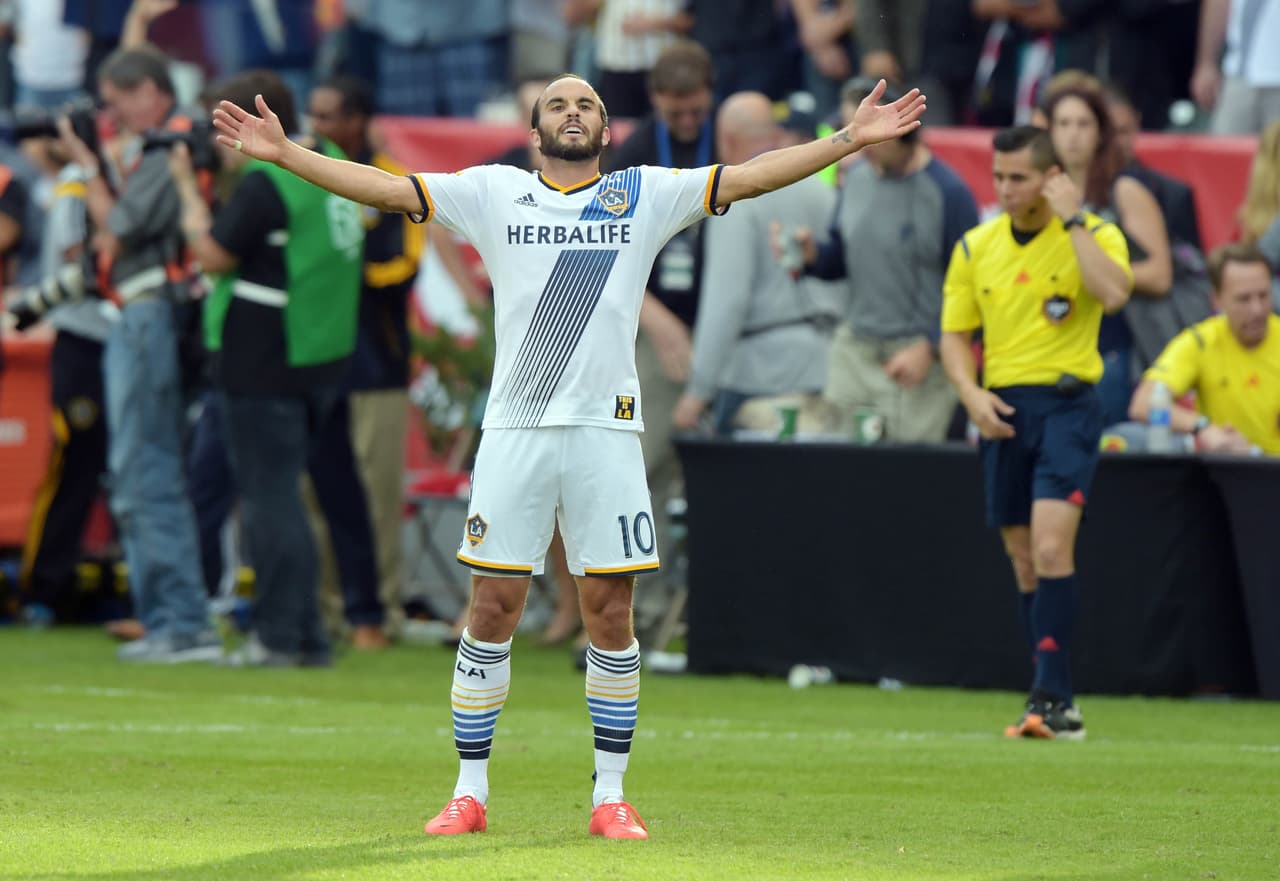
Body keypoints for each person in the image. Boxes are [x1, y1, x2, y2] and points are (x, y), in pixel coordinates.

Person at [211, 71, 924, 836]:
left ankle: (610, 794)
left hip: (605, 432)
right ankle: (469, 790)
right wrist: (286, 156)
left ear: (607, 132)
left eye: (587, 104)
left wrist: (849, 139)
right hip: (515, 430)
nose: (573, 111)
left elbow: (750, 177)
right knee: (491, 606)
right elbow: (385, 192)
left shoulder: (642, 194)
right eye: (558, 103)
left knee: (609, 611)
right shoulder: (493, 192)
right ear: (534, 128)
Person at [939, 126, 1132, 740]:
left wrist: (1074, 223)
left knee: (1051, 548)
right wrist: (970, 394)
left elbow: (1115, 293)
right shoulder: (976, 246)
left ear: (1051, 178)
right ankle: (1054, 699)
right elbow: (953, 334)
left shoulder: (1094, 235)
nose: (1003, 188)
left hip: (1069, 405)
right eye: (998, 176)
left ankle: (1050, 696)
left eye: (1017, 177)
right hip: (1002, 410)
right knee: (1024, 562)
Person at [172, 69, 365, 667]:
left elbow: (212, 256)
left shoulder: (267, 183)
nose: (219, 138)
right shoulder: (326, 157)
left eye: (226, 123)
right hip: (319, 355)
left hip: (265, 357)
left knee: (269, 500)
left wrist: (186, 191)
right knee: (285, 497)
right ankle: (305, 634)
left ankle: (280, 637)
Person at [57, 46, 220, 663]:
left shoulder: (169, 143)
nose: (112, 115)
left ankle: (181, 622)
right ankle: (169, 619)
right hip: (143, 314)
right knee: (139, 473)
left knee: (146, 472)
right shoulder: (161, 142)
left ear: (151, 92)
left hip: (150, 312)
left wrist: (86, 166)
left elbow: (117, 226)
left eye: (120, 101)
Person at [795, 77, 977, 442]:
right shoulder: (856, 180)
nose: (860, 146)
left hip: (917, 363)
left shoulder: (949, 193)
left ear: (903, 130)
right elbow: (843, 259)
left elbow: (975, 289)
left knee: (907, 487)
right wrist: (814, 256)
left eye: (868, 134)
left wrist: (930, 345)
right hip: (855, 353)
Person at [671, 91, 840, 436]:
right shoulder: (825, 191)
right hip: (830, 369)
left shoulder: (735, 200)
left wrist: (698, 391)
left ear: (727, 139)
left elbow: (727, 303)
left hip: (759, 379)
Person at [1043, 86, 1173, 424]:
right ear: (1049, 131)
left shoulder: (1125, 189)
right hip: (1048, 348)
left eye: (1084, 124)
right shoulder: (1037, 194)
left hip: (1109, 350)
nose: (1073, 135)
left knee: (1104, 458)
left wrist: (1096, 268)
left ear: (1101, 133)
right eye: (1064, 123)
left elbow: (1160, 275)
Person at [1129, 243, 1280, 456]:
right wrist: (1203, 427)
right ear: (1217, 299)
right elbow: (1142, 405)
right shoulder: (1200, 342)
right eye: (1243, 299)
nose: (1256, 309)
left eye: (1263, 296)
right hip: (1231, 472)